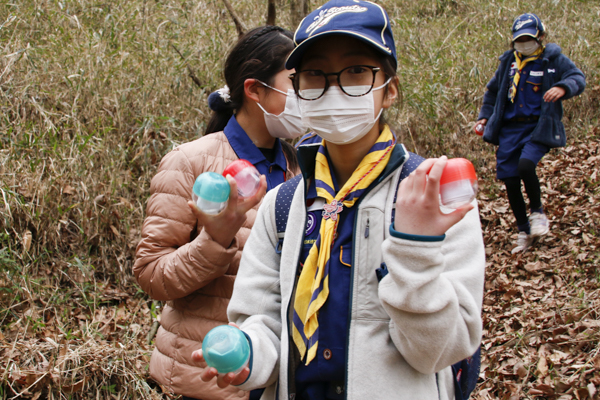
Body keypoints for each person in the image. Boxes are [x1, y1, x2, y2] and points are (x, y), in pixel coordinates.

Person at [192, 1, 486, 399]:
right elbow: (262, 322)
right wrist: (248, 355)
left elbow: (439, 353)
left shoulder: (434, 198)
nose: (334, 88)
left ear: (390, 89)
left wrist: (415, 248)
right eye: (314, 74)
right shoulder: (282, 205)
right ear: (297, 91)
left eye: (356, 71)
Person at [134, 25, 305, 400]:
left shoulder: (301, 169)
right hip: (209, 377)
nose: (306, 94)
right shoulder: (190, 163)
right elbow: (151, 275)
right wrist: (216, 239)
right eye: (296, 81)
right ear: (254, 89)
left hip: (278, 374)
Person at [475, 13, 585, 254]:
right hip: (509, 129)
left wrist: (561, 87)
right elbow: (492, 92)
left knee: (525, 166)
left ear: (540, 37)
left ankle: (538, 214)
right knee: (511, 180)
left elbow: (578, 78)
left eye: (529, 39)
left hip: (538, 126)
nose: (524, 44)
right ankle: (524, 230)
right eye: (519, 40)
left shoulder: (552, 59)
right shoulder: (508, 62)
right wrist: (485, 116)